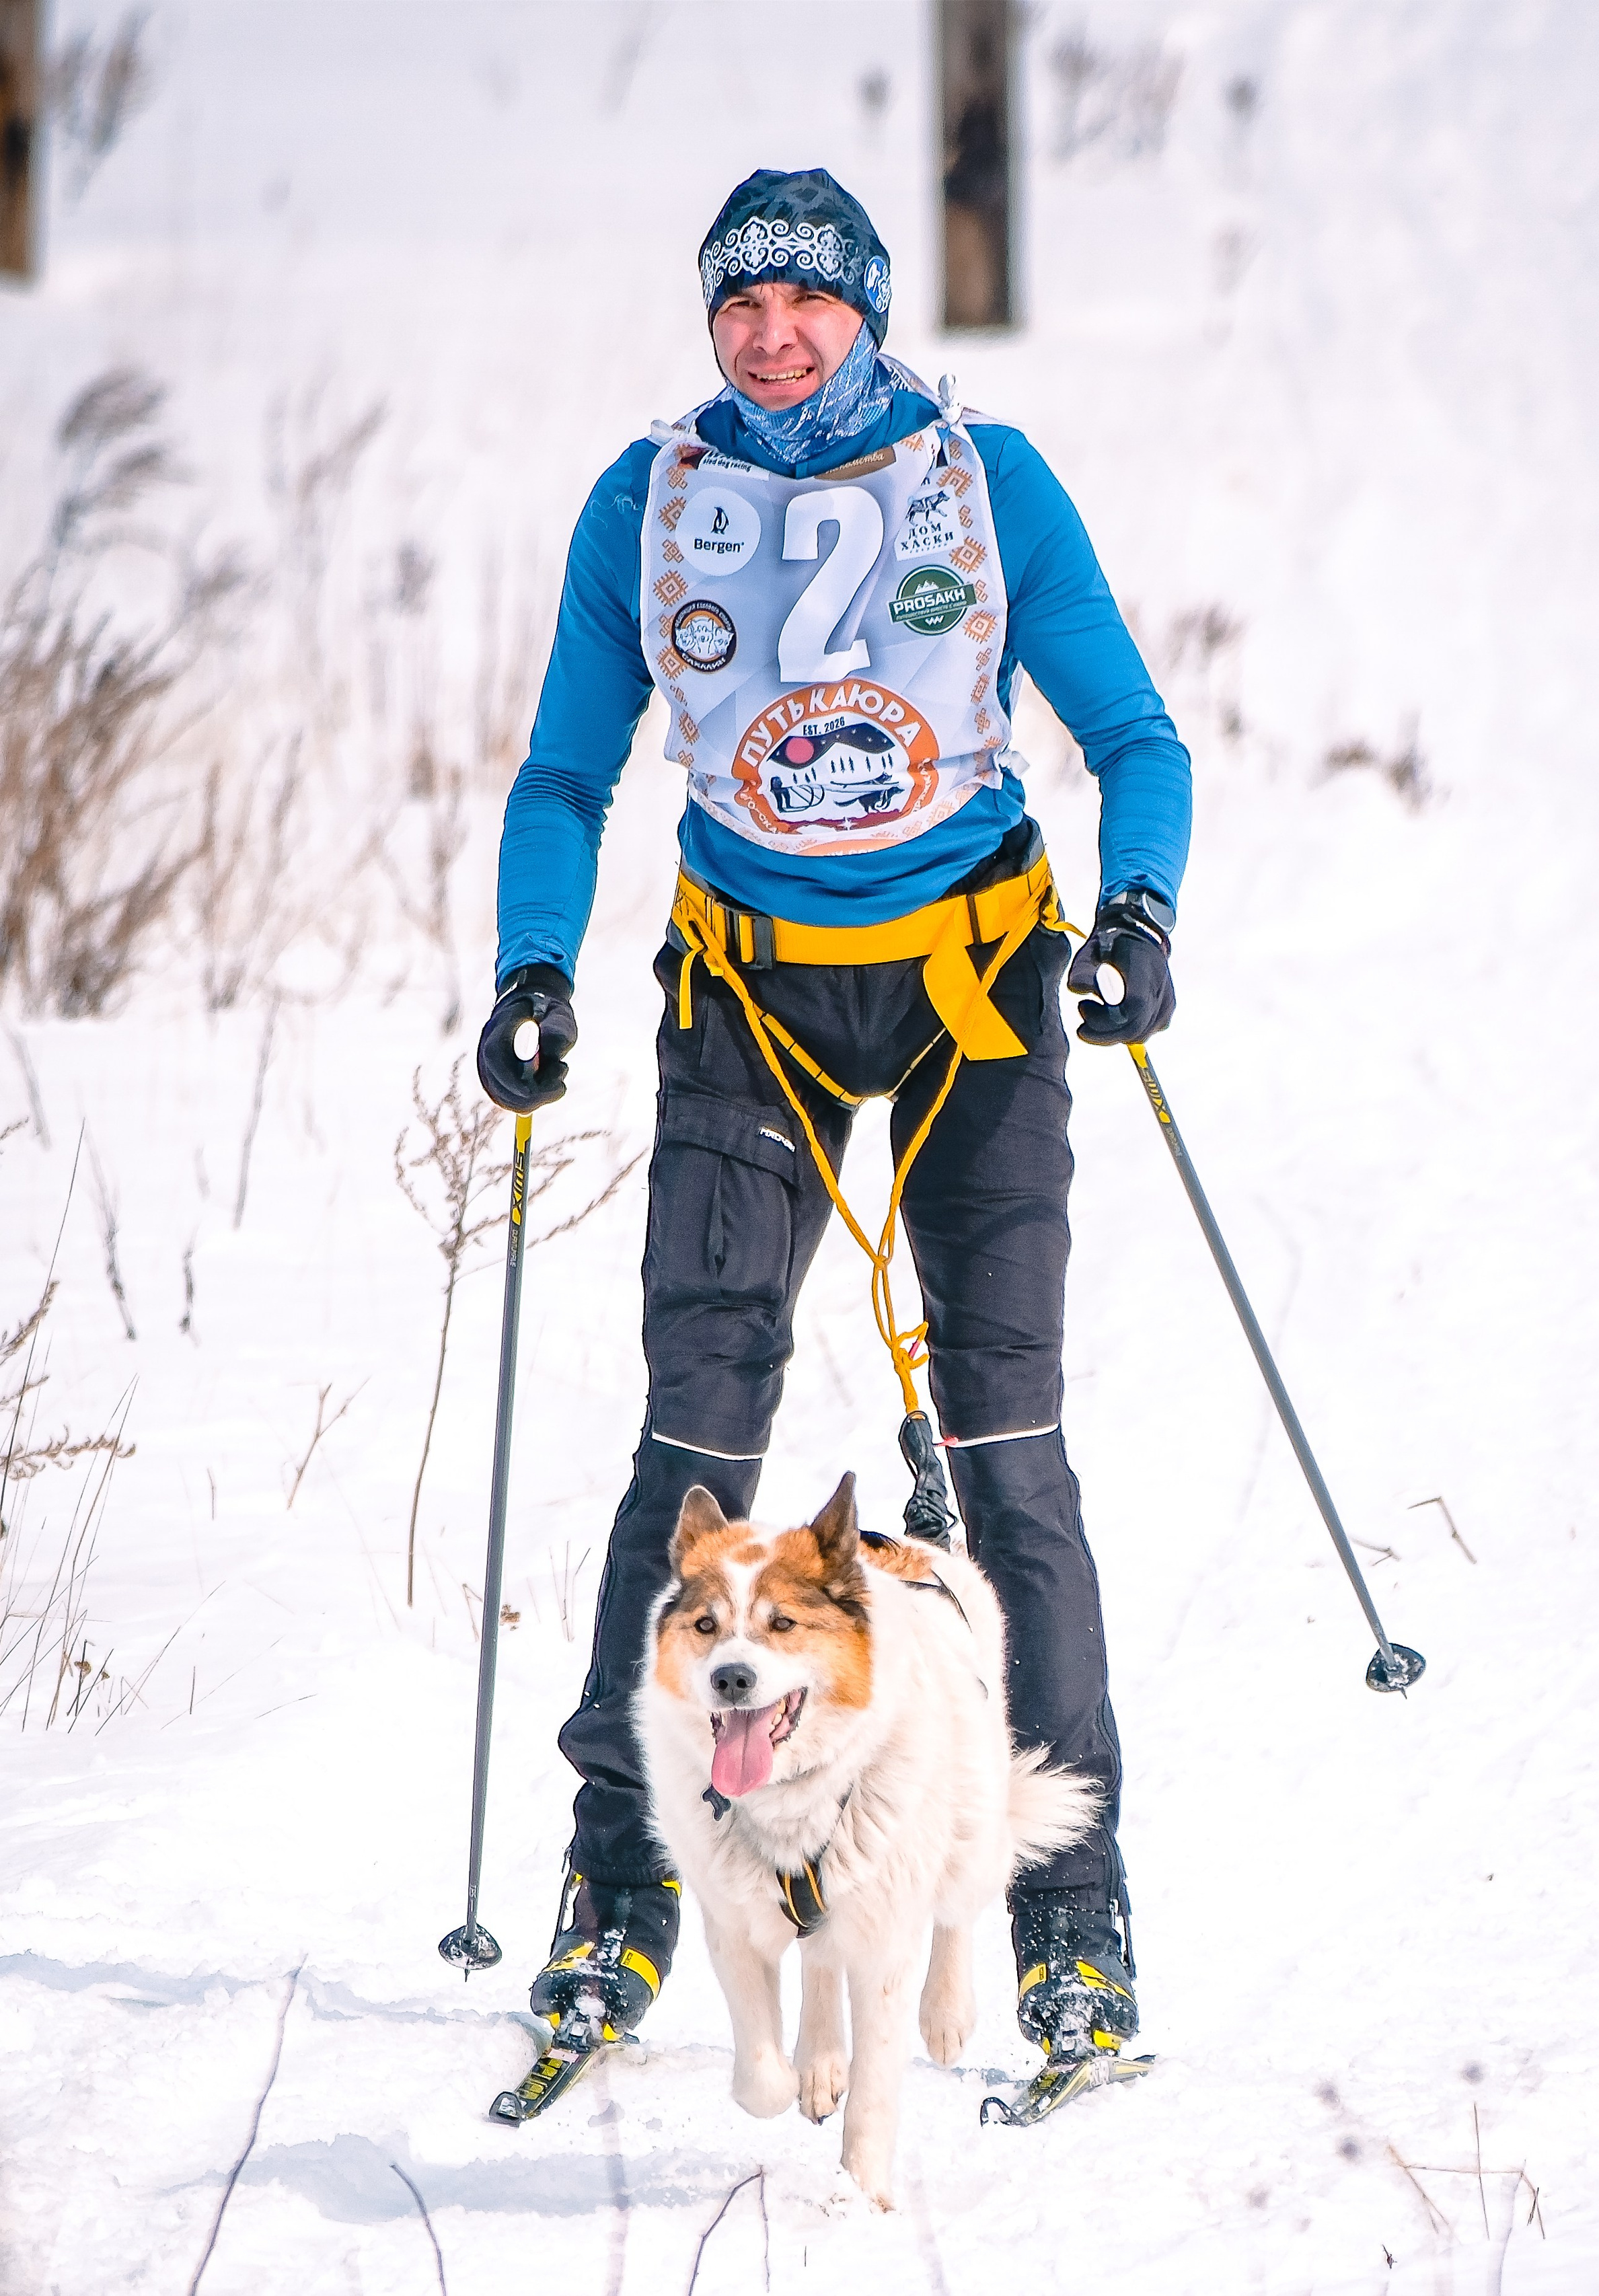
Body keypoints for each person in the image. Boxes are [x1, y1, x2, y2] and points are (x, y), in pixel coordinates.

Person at [477, 167, 1191, 2071]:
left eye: (810, 305)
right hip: (748, 996)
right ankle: (622, 1887)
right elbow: (563, 772)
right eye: (740, 308)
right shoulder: (647, 506)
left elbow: (1137, 737)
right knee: (694, 1438)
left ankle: (1070, 1909)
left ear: (870, 315)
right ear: (708, 324)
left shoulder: (984, 479)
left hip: (971, 994)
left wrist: (1138, 915)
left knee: (1008, 1446)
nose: (775, 337)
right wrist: (532, 964)